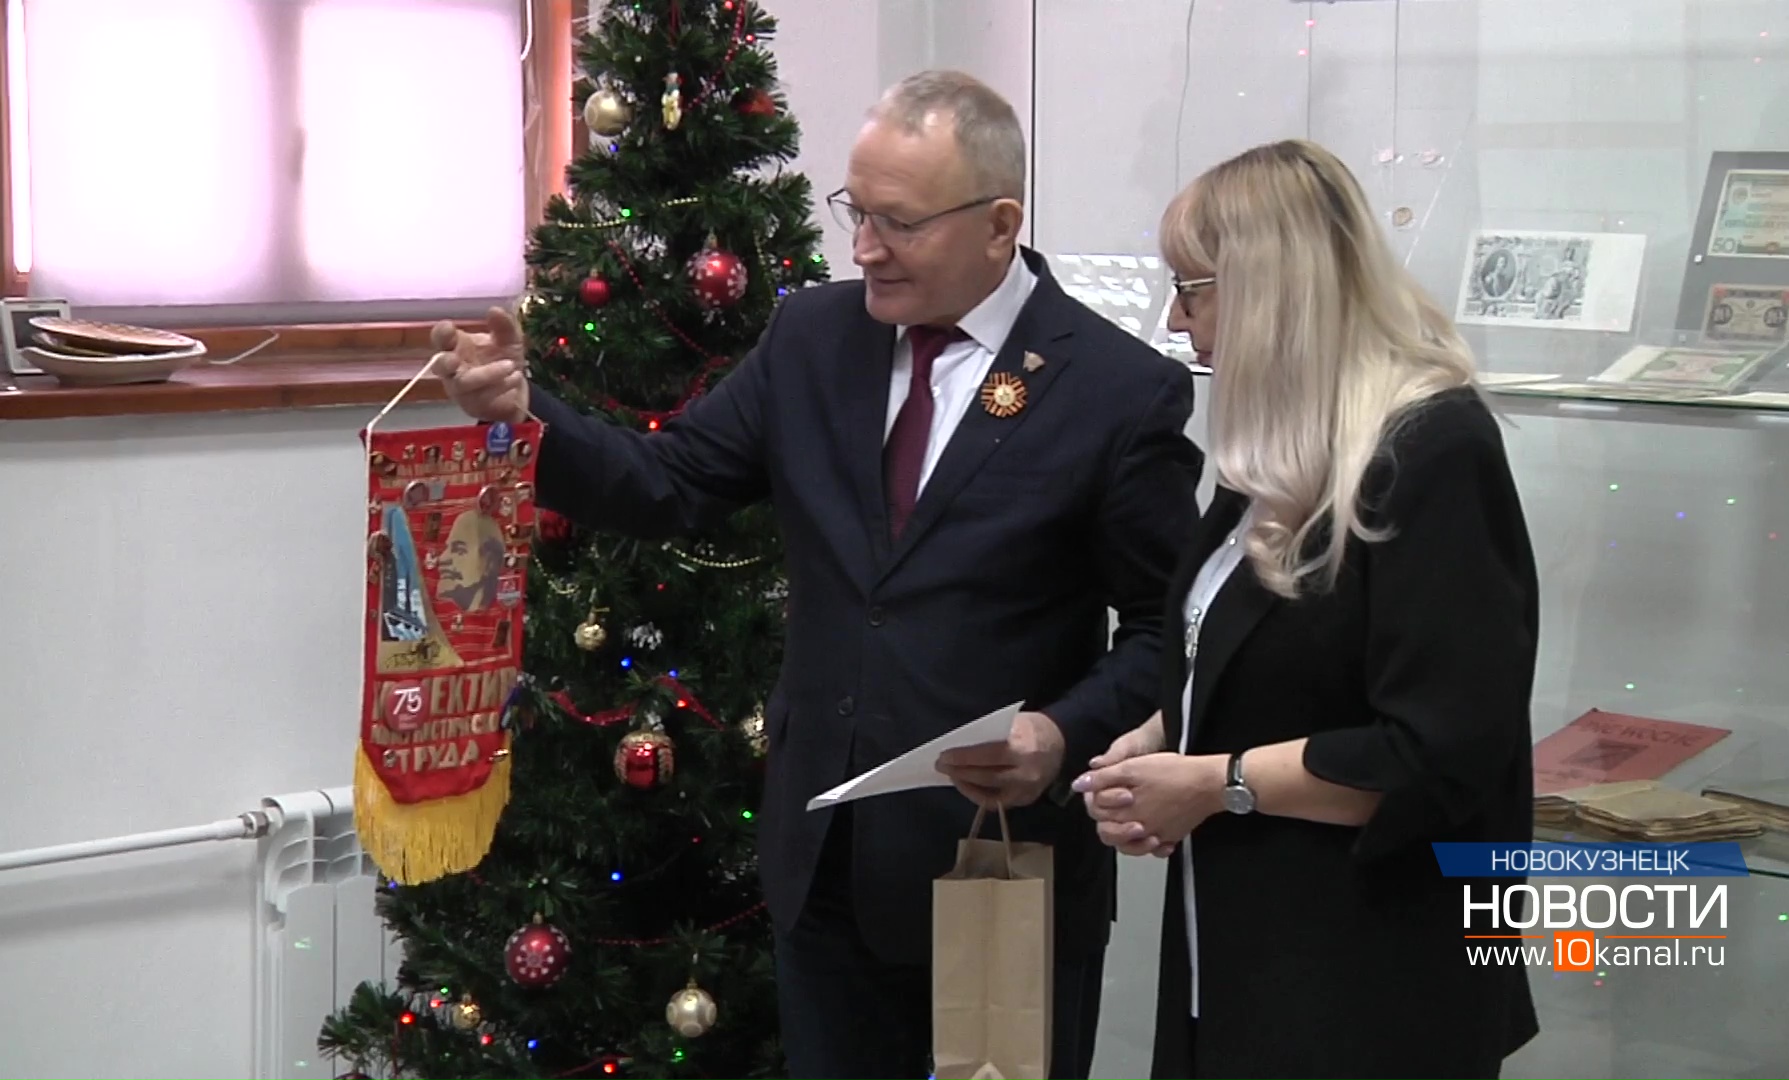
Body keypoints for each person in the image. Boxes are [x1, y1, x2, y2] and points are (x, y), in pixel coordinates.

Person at [429, 70, 1204, 1080]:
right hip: (827, 866)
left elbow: (1167, 628)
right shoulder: (814, 337)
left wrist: (1060, 734)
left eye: (899, 222)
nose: (865, 247)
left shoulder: (1115, 389)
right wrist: (524, 411)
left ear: (999, 224)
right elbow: (670, 483)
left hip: (1003, 866)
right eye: (856, 211)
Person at [1073, 138, 1541, 1079]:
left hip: (1372, 980)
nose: (1175, 319)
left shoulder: (1434, 451)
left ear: (1269, 289)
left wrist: (1215, 782)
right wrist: (1163, 738)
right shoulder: (1280, 453)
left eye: (1191, 289)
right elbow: (1261, 659)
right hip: (1238, 963)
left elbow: (1437, 751)